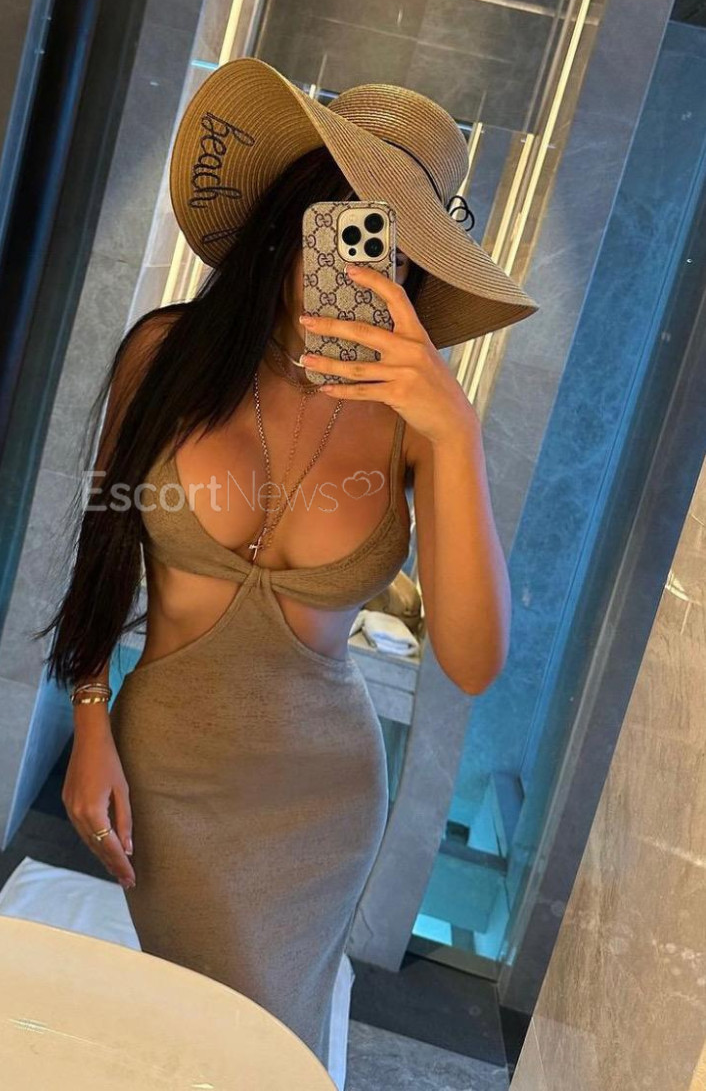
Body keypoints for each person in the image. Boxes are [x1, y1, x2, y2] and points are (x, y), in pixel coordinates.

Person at [34, 57, 539, 1070]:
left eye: (388, 244)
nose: (357, 262)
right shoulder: (163, 357)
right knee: (194, 1039)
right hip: (169, 775)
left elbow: (474, 660)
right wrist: (87, 719)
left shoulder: (416, 424)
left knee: (263, 1047)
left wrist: (455, 432)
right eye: (339, 223)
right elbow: (103, 549)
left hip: (323, 797)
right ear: (288, 220)